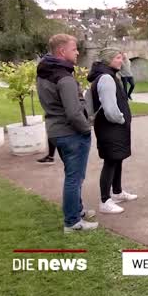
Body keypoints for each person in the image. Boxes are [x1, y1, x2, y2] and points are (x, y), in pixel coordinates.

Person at [36, 34, 98, 233]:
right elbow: (73, 112)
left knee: (72, 175)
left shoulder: (44, 72)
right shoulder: (64, 77)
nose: (78, 52)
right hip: (71, 133)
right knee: (74, 177)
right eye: (74, 49)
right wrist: (86, 128)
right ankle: (72, 222)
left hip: (56, 131)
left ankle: (77, 211)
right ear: (62, 51)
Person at [87, 48, 138, 214]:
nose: (121, 61)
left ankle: (117, 192)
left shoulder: (110, 75)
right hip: (111, 127)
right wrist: (121, 119)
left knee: (118, 158)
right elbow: (110, 110)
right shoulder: (106, 78)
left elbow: (124, 71)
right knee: (110, 161)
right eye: (118, 58)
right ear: (108, 60)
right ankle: (105, 200)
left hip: (114, 128)